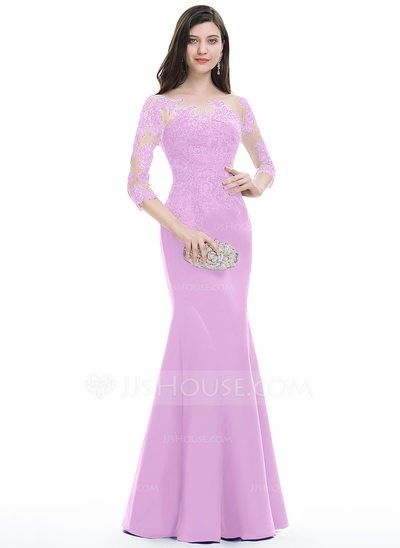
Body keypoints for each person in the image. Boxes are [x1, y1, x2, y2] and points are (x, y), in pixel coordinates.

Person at [122, 5, 289, 544]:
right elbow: (137, 185)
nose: (202, 49)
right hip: (183, 235)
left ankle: (241, 511)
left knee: (231, 351)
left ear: (222, 47)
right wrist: (182, 231)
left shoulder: (238, 105)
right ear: (181, 45)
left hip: (233, 234)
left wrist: (256, 184)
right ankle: (184, 507)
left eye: (212, 40)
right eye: (194, 40)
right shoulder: (159, 106)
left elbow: (268, 166)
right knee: (196, 347)